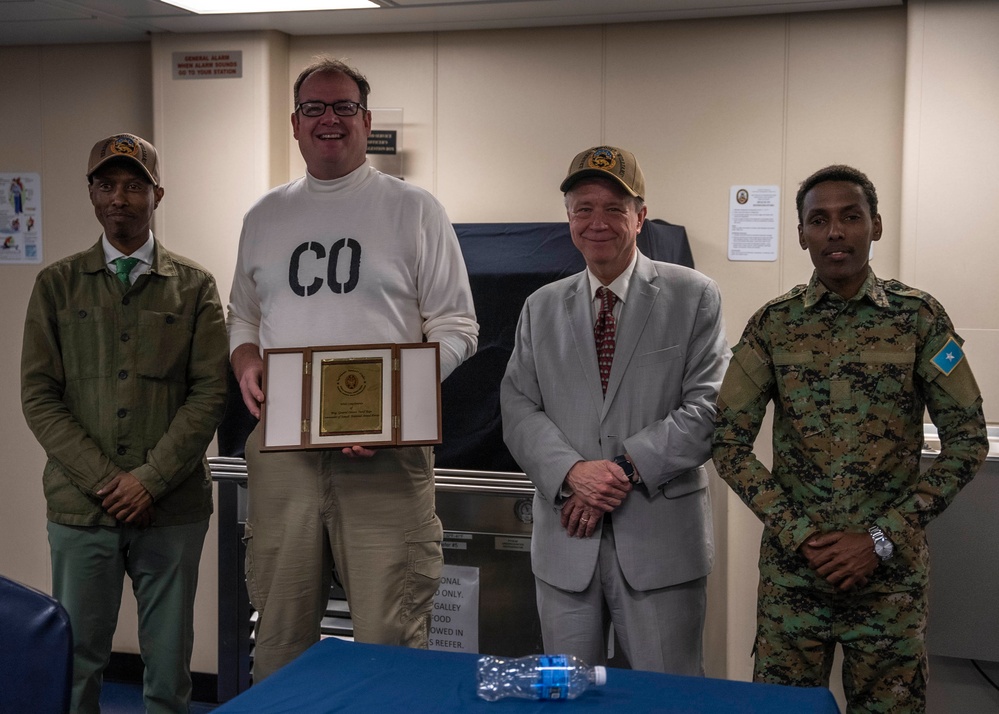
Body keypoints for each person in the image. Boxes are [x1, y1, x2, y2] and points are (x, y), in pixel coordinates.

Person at [227, 57, 478, 680]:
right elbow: (243, 317)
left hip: (385, 459)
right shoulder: (263, 217)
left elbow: (457, 327)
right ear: (294, 123)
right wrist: (246, 357)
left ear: (366, 122)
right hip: (285, 455)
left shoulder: (415, 210)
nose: (329, 120)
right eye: (314, 108)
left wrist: (390, 411)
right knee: (280, 635)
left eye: (343, 108)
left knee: (390, 637)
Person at [712, 165, 989, 712]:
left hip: (888, 584)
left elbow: (967, 440)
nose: (835, 232)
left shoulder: (919, 320)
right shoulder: (773, 325)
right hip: (797, 582)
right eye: (819, 220)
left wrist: (880, 538)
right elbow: (727, 443)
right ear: (801, 235)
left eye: (850, 216)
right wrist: (800, 533)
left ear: (876, 226)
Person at [20, 133, 229, 714]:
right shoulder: (56, 285)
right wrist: (107, 483)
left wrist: (150, 481)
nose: (120, 197)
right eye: (107, 184)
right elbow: (38, 396)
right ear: (90, 194)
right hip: (80, 509)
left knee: (167, 666)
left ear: (157, 194)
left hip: (172, 508)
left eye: (134, 185)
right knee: (77, 660)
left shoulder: (194, 286)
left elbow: (210, 392)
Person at [500, 146, 728, 674]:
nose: (597, 222)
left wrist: (619, 471)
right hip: (566, 542)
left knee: (666, 702)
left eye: (613, 208)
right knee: (566, 701)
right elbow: (517, 407)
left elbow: (709, 408)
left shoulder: (693, 296)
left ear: (640, 217)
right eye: (583, 208)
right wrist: (573, 473)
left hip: (660, 547)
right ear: (569, 219)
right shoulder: (541, 307)